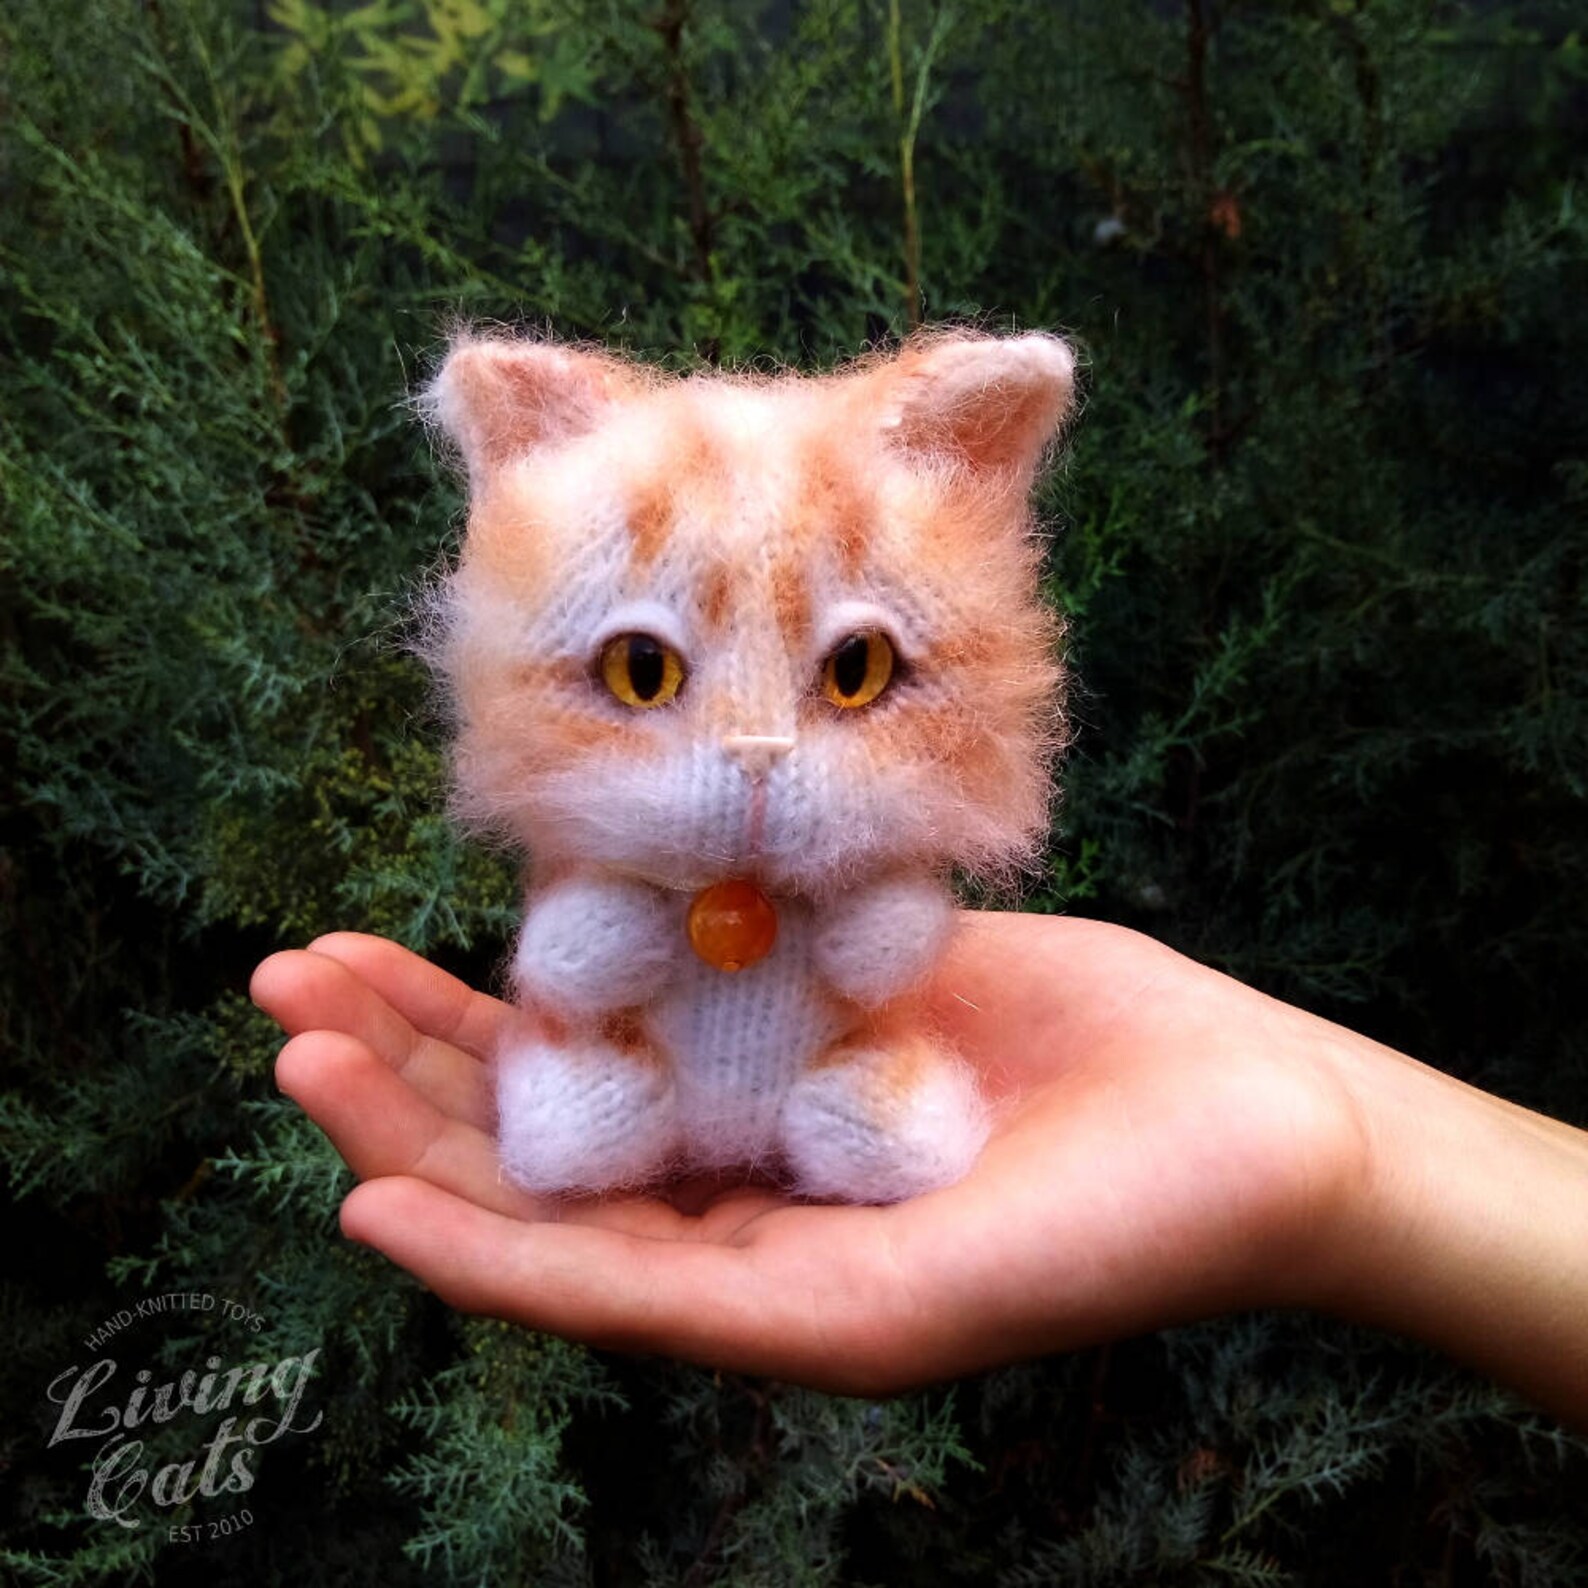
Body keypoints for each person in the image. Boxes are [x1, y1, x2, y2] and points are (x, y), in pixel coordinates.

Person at [250, 913, 1588, 1429]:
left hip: (826, 1071)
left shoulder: (863, 875)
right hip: (651, 1074)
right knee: (569, 1107)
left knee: (882, 1105)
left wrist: (1332, 1141)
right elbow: (576, 961)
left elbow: (890, 957)